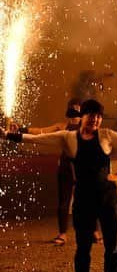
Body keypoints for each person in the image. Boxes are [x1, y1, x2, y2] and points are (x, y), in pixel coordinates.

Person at [1, 99, 117, 272]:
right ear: (82, 117)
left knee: (112, 246)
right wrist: (9, 136)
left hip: (107, 198)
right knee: (83, 247)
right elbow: (38, 138)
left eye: (99, 116)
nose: (95, 119)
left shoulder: (108, 135)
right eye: (91, 115)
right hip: (83, 198)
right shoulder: (68, 137)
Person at [14, 98, 101, 245]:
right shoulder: (62, 126)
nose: (75, 113)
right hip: (66, 166)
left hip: (84, 167)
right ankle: (63, 234)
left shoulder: (89, 127)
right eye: (72, 109)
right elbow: (41, 133)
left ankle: (94, 232)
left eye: (78, 109)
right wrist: (20, 130)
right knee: (64, 201)